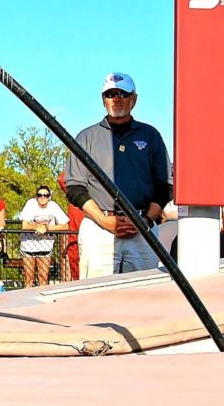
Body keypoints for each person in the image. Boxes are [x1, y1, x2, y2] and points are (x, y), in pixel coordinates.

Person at [63, 72, 171, 278]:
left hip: (142, 230)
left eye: (123, 93)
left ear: (134, 99)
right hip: (99, 228)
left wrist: (146, 220)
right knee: (95, 294)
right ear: (103, 100)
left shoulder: (151, 135)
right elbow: (74, 187)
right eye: (110, 94)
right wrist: (104, 221)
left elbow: (165, 186)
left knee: (144, 294)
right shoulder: (86, 137)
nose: (117, 98)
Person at [16, 185, 69, 288]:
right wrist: (37, 227)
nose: (42, 197)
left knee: (43, 277)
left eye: (45, 195)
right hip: (28, 246)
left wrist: (47, 228)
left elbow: (65, 225)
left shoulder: (53, 206)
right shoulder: (30, 204)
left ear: (49, 197)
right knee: (28, 278)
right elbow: (25, 225)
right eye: (40, 195)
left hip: (46, 246)